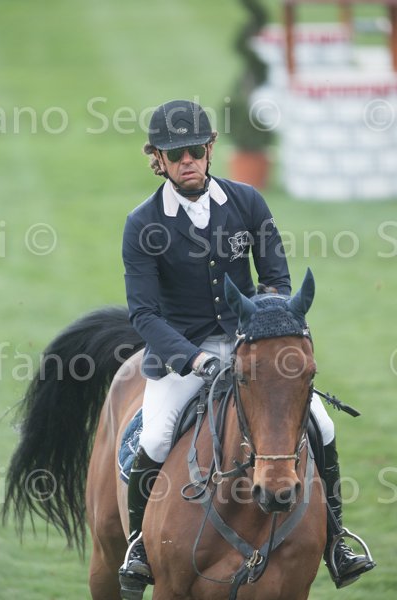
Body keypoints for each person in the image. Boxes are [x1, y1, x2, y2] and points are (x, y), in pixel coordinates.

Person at [119, 99, 375, 592]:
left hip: (249, 346)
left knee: (321, 426)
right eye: (176, 155)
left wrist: (264, 327)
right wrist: (193, 359)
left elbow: (276, 280)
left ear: (211, 149)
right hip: (182, 356)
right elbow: (144, 314)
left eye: (196, 150)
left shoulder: (248, 202)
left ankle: (336, 542)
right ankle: (139, 546)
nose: (188, 161)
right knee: (155, 438)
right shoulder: (142, 224)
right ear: (158, 159)